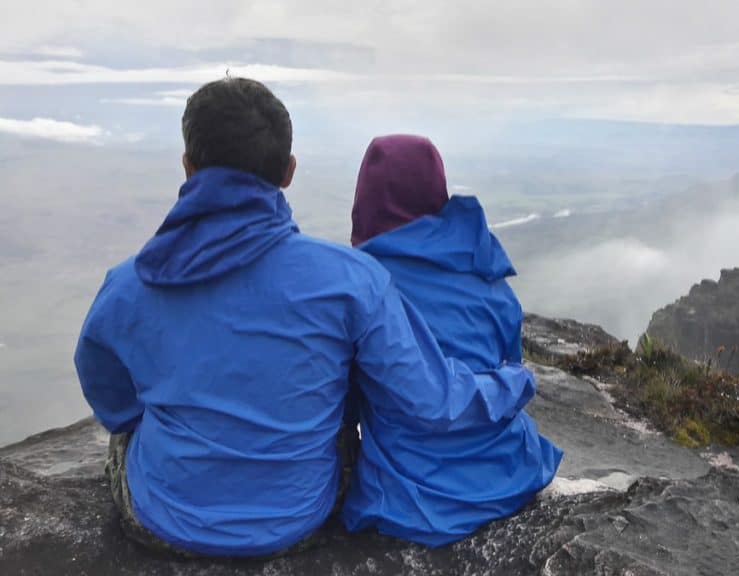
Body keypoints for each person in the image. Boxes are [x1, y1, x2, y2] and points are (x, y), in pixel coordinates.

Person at [74, 78, 539, 557]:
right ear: (289, 170)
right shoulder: (351, 280)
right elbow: (425, 399)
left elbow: (112, 401)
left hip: (166, 519)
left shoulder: (127, 284)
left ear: (188, 165)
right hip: (298, 520)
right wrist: (515, 382)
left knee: (130, 434)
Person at [343, 135, 562, 547]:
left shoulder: (359, 285)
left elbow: (347, 397)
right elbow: (507, 362)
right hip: (510, 474)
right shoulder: (485, 270)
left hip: (409, 501)